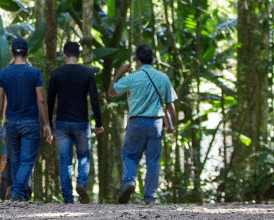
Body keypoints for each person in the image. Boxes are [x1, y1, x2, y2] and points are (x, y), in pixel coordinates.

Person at [107, 45, 177, 205]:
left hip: (136, 122)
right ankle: (151, 197)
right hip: (156, 123)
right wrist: (172, 125)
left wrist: (120, 72)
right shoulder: (163, 77)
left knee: (130, 155)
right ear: (151, 60)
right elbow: (170, 106)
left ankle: (129, 182)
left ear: (137, 61)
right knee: (153, 159)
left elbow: (111, 93)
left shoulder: (132, 77)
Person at [0, 37, 53, 202]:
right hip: (30, 123)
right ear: (27, 53)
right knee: (27, 160)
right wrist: (46, 124)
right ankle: (18, 192)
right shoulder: (35, 73)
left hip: (11, 122)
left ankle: (20, 193)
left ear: (12, 53)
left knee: (16, 159)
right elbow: (41, 100)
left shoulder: (4, 73)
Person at [46, 41, 103, 204]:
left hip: (62, 123)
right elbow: (94, 100)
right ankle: (82, 184)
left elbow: (50, 100)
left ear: (64, 55)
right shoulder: (88, 73)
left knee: (65, 160)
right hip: (81, 123)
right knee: (84, 156)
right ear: (79, 56)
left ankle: (67, 198)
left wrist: (48, 123)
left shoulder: (57, 73)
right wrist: (99, 123)